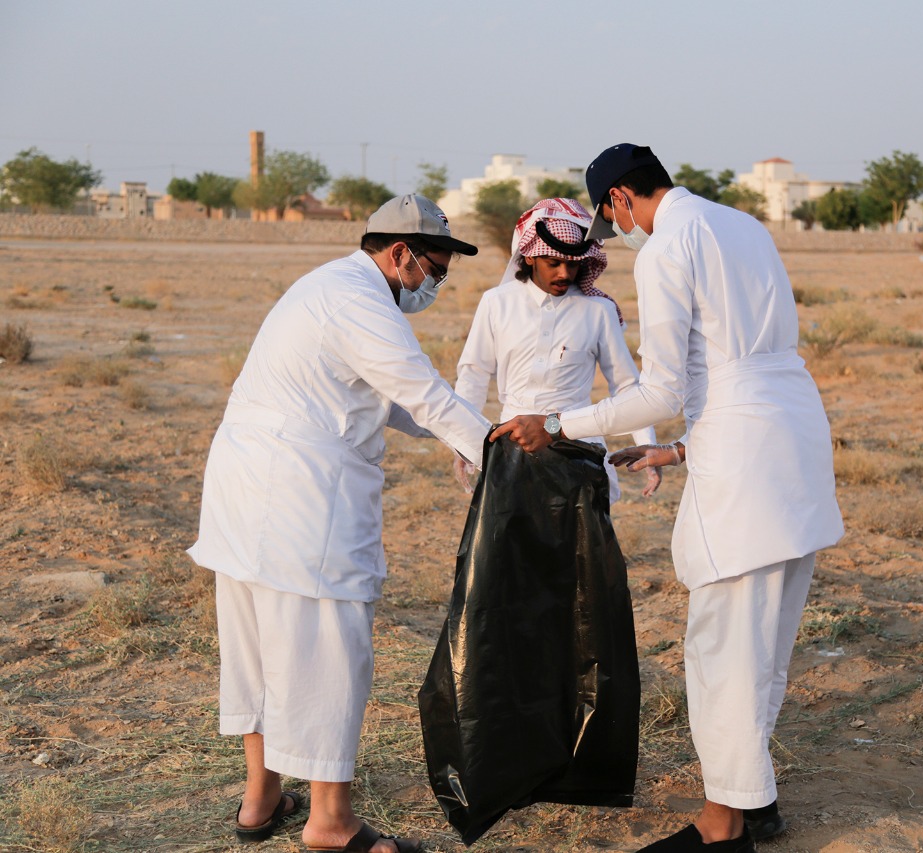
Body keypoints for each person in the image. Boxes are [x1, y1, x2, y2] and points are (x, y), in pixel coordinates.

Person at [493, 145, 844, 852]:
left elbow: (661, 391)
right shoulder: (743, 224)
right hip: (794, 436)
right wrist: (678, 450)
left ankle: (721, 826)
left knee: (724, 646)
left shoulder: (664, 248)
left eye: (611, 216)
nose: (618, 230)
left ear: (621, 197)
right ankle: (754, 798)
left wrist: (558, 424)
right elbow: (740, 364)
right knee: (765, 642)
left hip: (744, 459)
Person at [188, 194, 490, 853]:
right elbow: (424, 395)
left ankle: (261, 798)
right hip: (300, 497)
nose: (435, 285)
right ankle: (330, 822)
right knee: (329, 650)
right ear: (400, 253)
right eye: (434, 270)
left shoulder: (330, 287)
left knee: (258, 646)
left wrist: (468, 437)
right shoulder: (359, 301)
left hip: (247, 488)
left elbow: (395, 400)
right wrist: (498, 450)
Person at [452, 197, 661, 502]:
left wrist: (647, 444)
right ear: (530, 258)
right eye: (554, 263)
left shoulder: (598, 310)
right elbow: (474, 373)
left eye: (573, 264)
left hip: (577, 444)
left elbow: (626, 384)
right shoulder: (497, 302)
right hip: (513, 443)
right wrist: (462, 443)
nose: (564, 273)